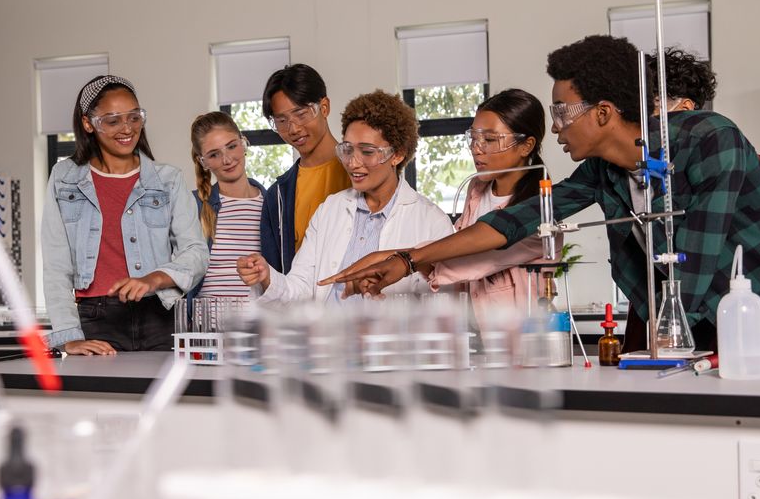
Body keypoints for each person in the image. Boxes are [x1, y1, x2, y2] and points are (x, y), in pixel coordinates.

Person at [325, 36, 760, 353]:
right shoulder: (604, 170)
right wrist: (405, 258)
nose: (555, 128)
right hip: (736, 332)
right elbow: (517, 221)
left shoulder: (710, 139)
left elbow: (698, 263)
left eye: (561, 111)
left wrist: (650, 351)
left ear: (603, 113)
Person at [333, 89, 560, 333]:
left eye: (490, 140)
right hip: (481, 338)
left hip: (525, 341)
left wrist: (400, 259)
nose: (477, 148)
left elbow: (474, 259)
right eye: (473, 137)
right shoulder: (478, 189)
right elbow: (455, 264)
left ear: (526, 145)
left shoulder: (539, 210)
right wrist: (402, 263)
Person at [41, 75, 208, 355]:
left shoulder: (168, 180)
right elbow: (56, 264)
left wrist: (154, 278)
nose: (127, 128)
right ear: (88, 124)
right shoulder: (63, 178)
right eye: (113, 120)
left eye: (134, 117)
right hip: (96, 322)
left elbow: (197, 252)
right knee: (103, 399)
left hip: (160, 316)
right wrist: (68, 337)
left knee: (167, 398)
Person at [237, 89, 454, 303]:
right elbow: (301, 287)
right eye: (348, 149)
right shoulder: (330, 209)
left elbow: (440, 305)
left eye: (367, 152)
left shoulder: (431, 221)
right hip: (328, 335)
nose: (352, 162)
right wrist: (267, 277)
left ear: (397, 154)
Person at [647, 48, 760, 189]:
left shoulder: (758, 168)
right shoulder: (652, 169)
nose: (644, 121)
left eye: (652, 108)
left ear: (685, 108)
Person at [259, 64, 350, 273]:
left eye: (301, 114)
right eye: (281, 121)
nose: (293, 129)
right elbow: (276, 275)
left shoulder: (361, 174)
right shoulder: (278, 196)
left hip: (356, 301)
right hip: (301, 304)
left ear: (324, 107)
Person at [188, 111, 267, 299]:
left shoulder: (273, 205)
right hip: (205, 326)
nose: (227, 159)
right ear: (203, 162)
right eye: (214, 154)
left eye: (231, 146)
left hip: (261, 324)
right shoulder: (193, 205)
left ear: (243, 143)